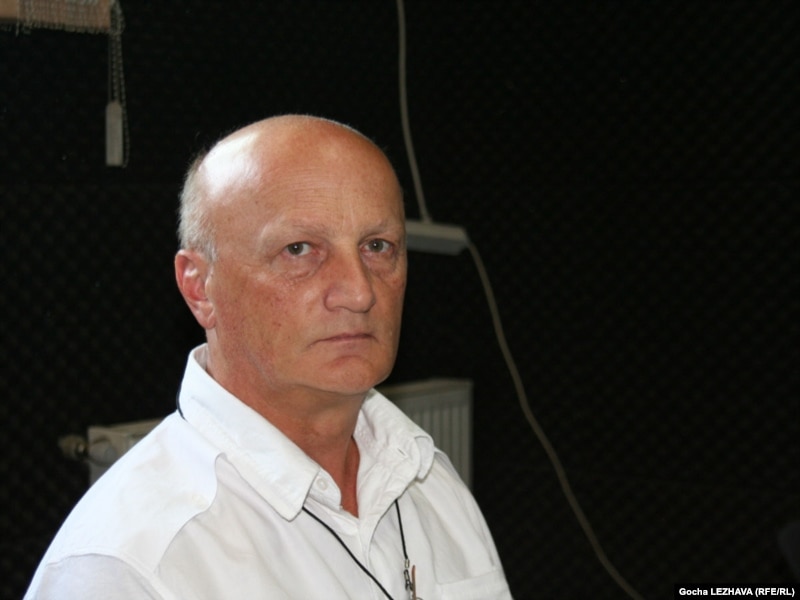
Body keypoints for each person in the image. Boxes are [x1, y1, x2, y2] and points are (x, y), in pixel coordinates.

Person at [24, 115, 512, 599]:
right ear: (199, 287)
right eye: (299, 249)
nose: (359, 292)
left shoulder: (427, 479)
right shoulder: (128, 567)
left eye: (377, 246)